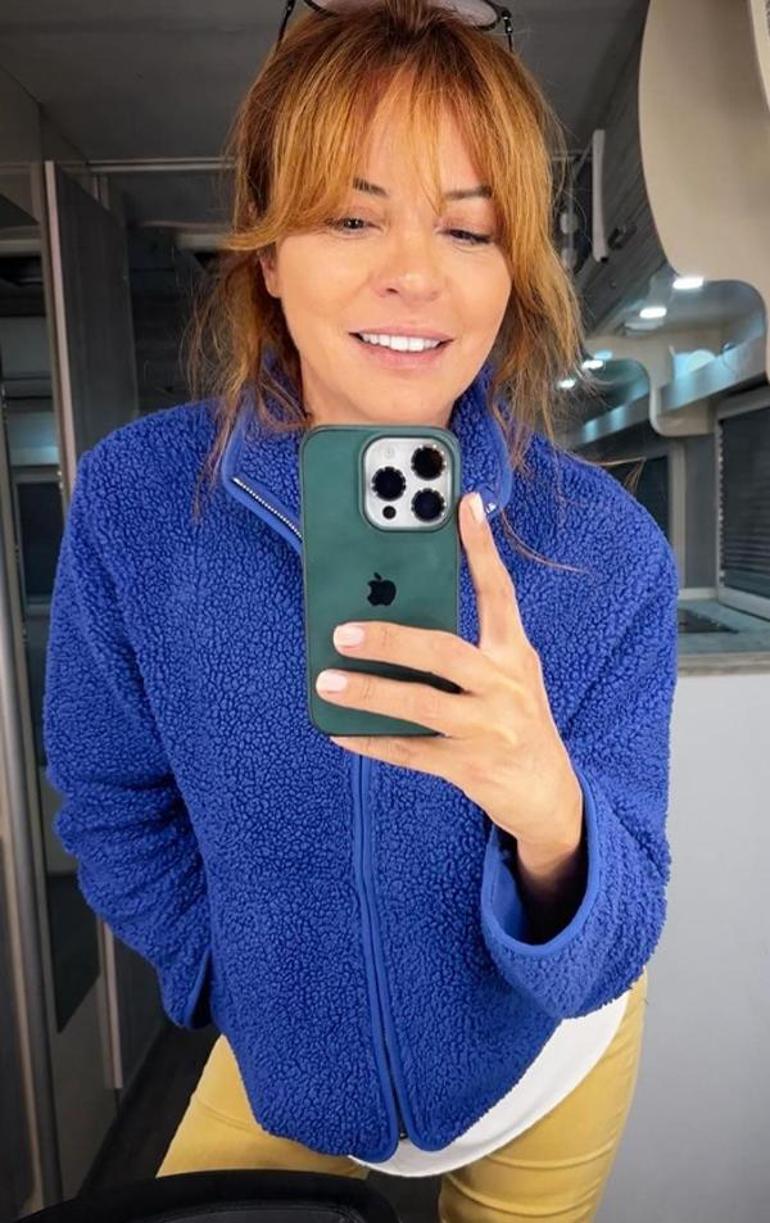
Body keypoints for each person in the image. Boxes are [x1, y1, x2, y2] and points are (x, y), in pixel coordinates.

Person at [43, 2, 679, 1220]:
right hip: (285, 1077)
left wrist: (548, 809)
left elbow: (614, 934)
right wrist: (234, 978)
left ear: (509, 272)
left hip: (546, 1068)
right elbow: (113, 804)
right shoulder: (139, 501)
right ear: (267, 254)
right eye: (350, 215)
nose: (414, 273)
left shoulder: (604, 551)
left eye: (468, 227)